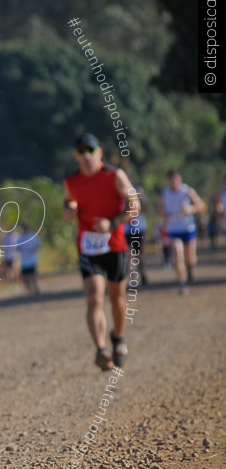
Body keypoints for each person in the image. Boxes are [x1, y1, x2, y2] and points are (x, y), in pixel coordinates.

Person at [63, 134, 139, 371]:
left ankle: (118, 337)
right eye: (82, 152)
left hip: (115, 245)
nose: (87, 156)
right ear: (77, 156)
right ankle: (101, 349)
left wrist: (113, 222)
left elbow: (134, 206)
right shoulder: (71, 181)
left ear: (100, 153)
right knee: (95, 296)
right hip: (88, 246)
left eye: (91, 151)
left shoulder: (115, 176)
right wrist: (69, 208)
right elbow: (68, 202)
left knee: (117, 299)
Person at [158, 170, 206, 294]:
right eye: (172, 181)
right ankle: (182, 282)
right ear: (168, 181)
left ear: (180, 180)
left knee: (190, 258)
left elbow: (201, 205)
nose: (174, 183)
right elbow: (159, 210)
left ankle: (190, 269)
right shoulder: (165, 193)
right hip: (174, 230)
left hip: (188, 228)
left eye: (176, 180)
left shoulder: (187, 191)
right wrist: (164, 215)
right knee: (178, 255)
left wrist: (191, 209)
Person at [124, 184, 152, 286]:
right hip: (126, 229)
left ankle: (142, 271)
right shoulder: (121, 192)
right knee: (129, 253)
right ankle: (133, 277)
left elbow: (147, 208)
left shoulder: (137, 191)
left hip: (139, 228)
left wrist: (142, 196)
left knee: (139, 254)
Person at [16, 222, 42, 296]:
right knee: (25, 277)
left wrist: (34, 249)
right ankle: (29, 289)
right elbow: (17, 248)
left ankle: (35, 288)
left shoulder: (33, 236)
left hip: (32, 260)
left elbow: (39, 245)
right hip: (24, 261)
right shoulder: (20, 238)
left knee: (32, 275)